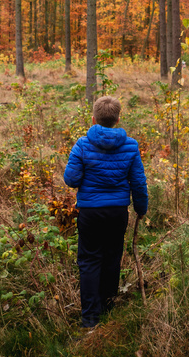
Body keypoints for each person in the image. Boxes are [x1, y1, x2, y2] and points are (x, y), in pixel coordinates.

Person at [63, 96, 148, 329]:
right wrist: (141, 208)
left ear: (93, 119)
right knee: (112, 259)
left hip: (90, 213)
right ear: (118, 119)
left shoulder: (82, 144)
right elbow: (138, 182)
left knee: (90, 261)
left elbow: (71, 179)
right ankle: (109, 308)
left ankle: (90, 318)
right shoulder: (130, 145)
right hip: (117, 213)